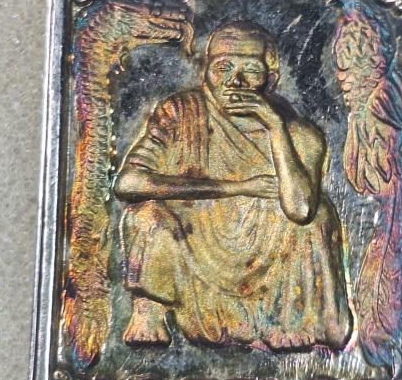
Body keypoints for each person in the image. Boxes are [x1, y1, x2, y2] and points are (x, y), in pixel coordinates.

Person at [114, 20, 352, 351]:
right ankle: (148, 314)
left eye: (250, 70)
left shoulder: (300, 134)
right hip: (195, 239)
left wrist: (275, 128)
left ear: (271, 79)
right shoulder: (180, 114)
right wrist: (236, 187)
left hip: (263, 246)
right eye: (223, 68)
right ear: (205, 72)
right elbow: (128, 183)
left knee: (318, 216)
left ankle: (290, 322)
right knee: (145, 215)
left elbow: (300, 210)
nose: (235, 81)